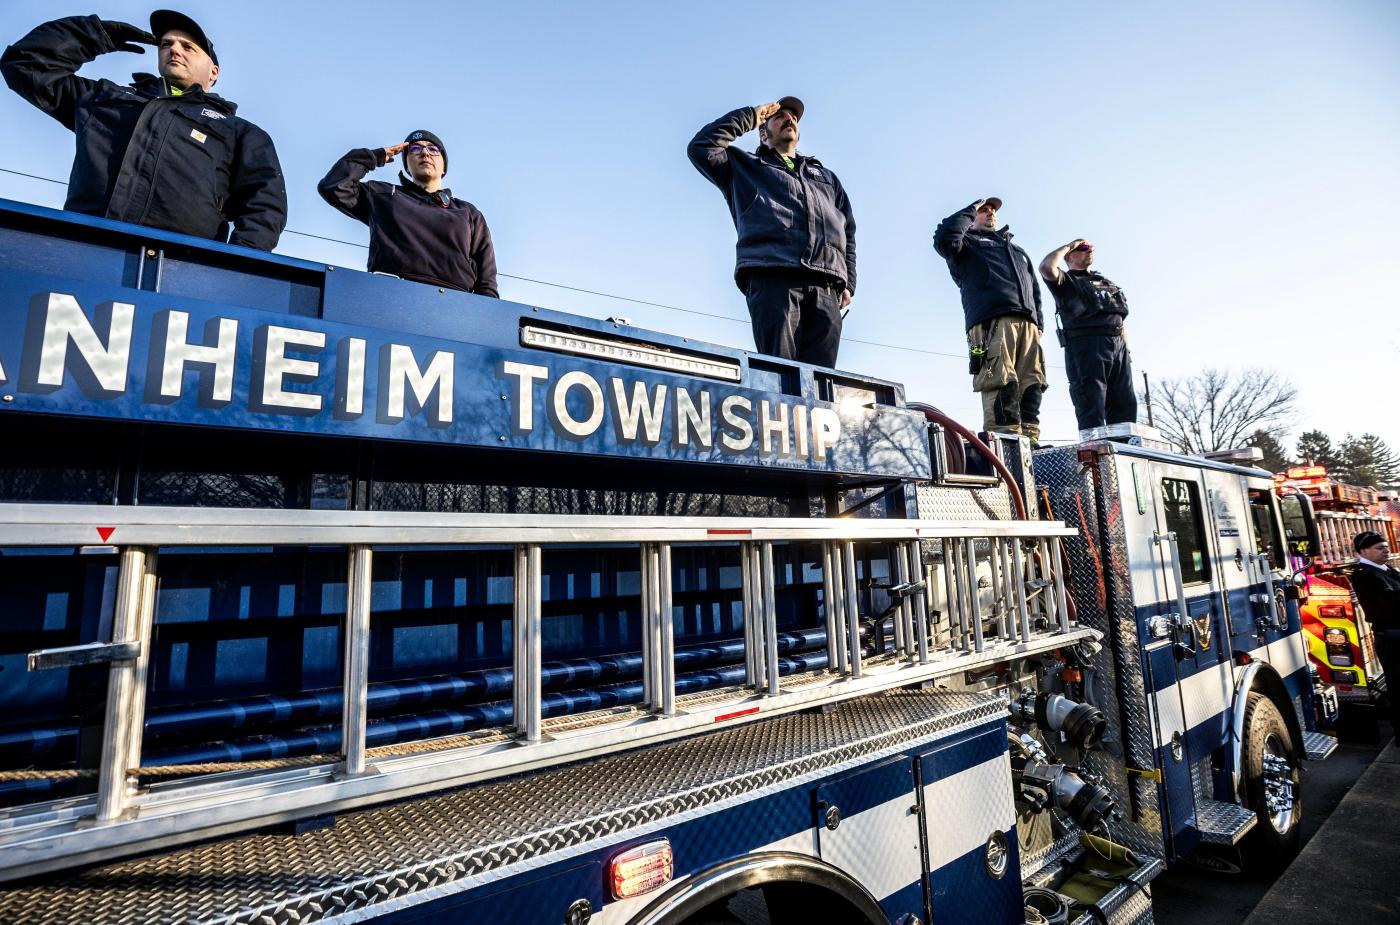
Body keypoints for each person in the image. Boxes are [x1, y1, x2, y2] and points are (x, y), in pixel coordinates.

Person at [1, 10, 286, 250]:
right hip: (82, 250)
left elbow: (264, 206)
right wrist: (94, 34)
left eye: (188, 47)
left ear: (213, 72)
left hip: (182, 269)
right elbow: (25, 66)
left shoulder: (238, 132)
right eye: (166, 44)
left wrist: (232, 269)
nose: (174, 49)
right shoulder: (105, 99)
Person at [688, 97, 856, 367]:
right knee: (780, 376)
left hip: (826, 286)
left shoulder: (826, 178)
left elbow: (847, 229)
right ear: (763, 134)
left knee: (824, 382)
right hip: (773, 279)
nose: (789, 119)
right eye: (780, 117)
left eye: (794, 118)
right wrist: (751, 116)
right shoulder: (744, 167)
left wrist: (849, 281)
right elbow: (700, 147)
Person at [318, 130, 498, 297]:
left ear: (444, 166)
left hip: (455, 303)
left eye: (433, 149)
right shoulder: (383, 195)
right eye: (415, 149)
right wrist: (374, 157)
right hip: (391, 294)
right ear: (407, 165)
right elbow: (333, 186)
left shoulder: (468, 213)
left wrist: (483, 315)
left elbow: (486, 279)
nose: (425, 153)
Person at [933, 198, 1045, 442]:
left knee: (1032, 384)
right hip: (990, 323)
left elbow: (1034, 289)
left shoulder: (1017, 250)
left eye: (992, 210)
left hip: (1027, 323)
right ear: (971, 219)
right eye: (984, 211)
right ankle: (1007, 444)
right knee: (1002, 382)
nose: (990, 213)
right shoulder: (966, 244)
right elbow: (944, 237)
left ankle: (1030, 443)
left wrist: (1039, 324)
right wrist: (971, 209)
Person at [1039, 239, 1137, 432]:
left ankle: (1125, 452)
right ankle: (1097, 457)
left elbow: (1120, 319)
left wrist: (1126, 350)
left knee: (1125, 405)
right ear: (1069, 257)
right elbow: (1046, 267)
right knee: (1092, 406)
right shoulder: (1066, 281)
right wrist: (1070, 244)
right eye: (1083, 249)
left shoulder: (1106, 283)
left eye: (1091, 247)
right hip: (1087, 347)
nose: (1089, 250)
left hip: (1118, 348)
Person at [1350, 531, 1399, 738]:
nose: (1386, 551)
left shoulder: (1386, 569)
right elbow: (1389, 602)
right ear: (1363, 551)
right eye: (1380, 548)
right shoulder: (1364, 574)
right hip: (1391, 637)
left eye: (1386, 547)